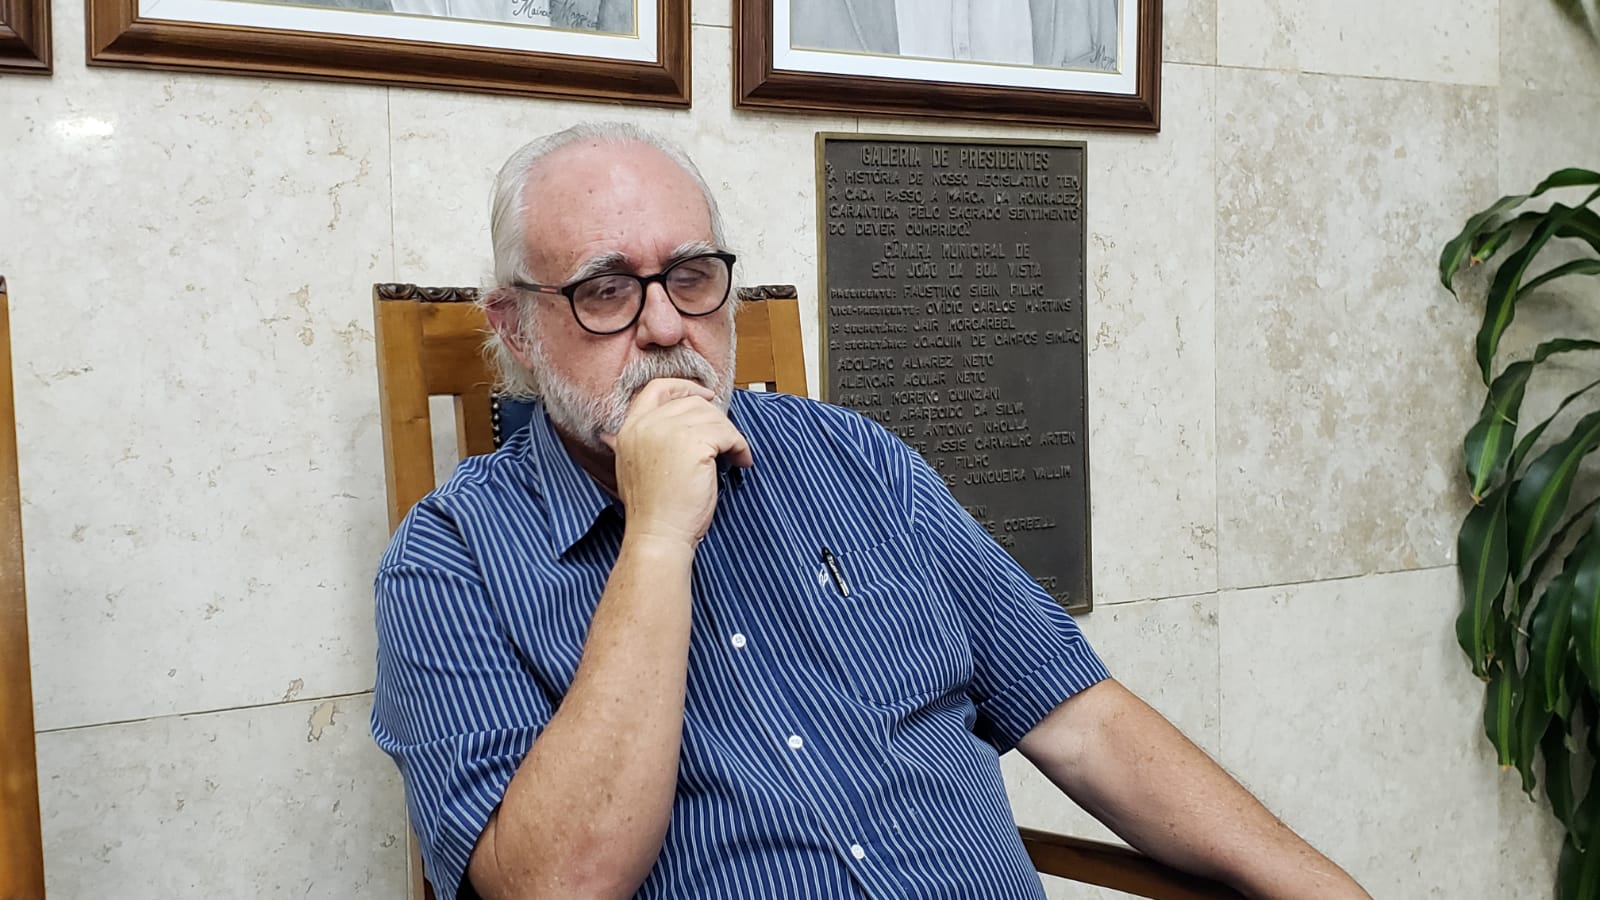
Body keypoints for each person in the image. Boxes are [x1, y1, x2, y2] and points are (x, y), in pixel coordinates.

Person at [370, 122, 1371, 900]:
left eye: (692, 276)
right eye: (604, 291)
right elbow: (556, 886)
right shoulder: (447, 561)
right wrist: (659, 539)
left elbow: (1083, 721)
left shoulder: (854, 458)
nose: (667, 325)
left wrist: (1320, 887)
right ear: (516, 327)